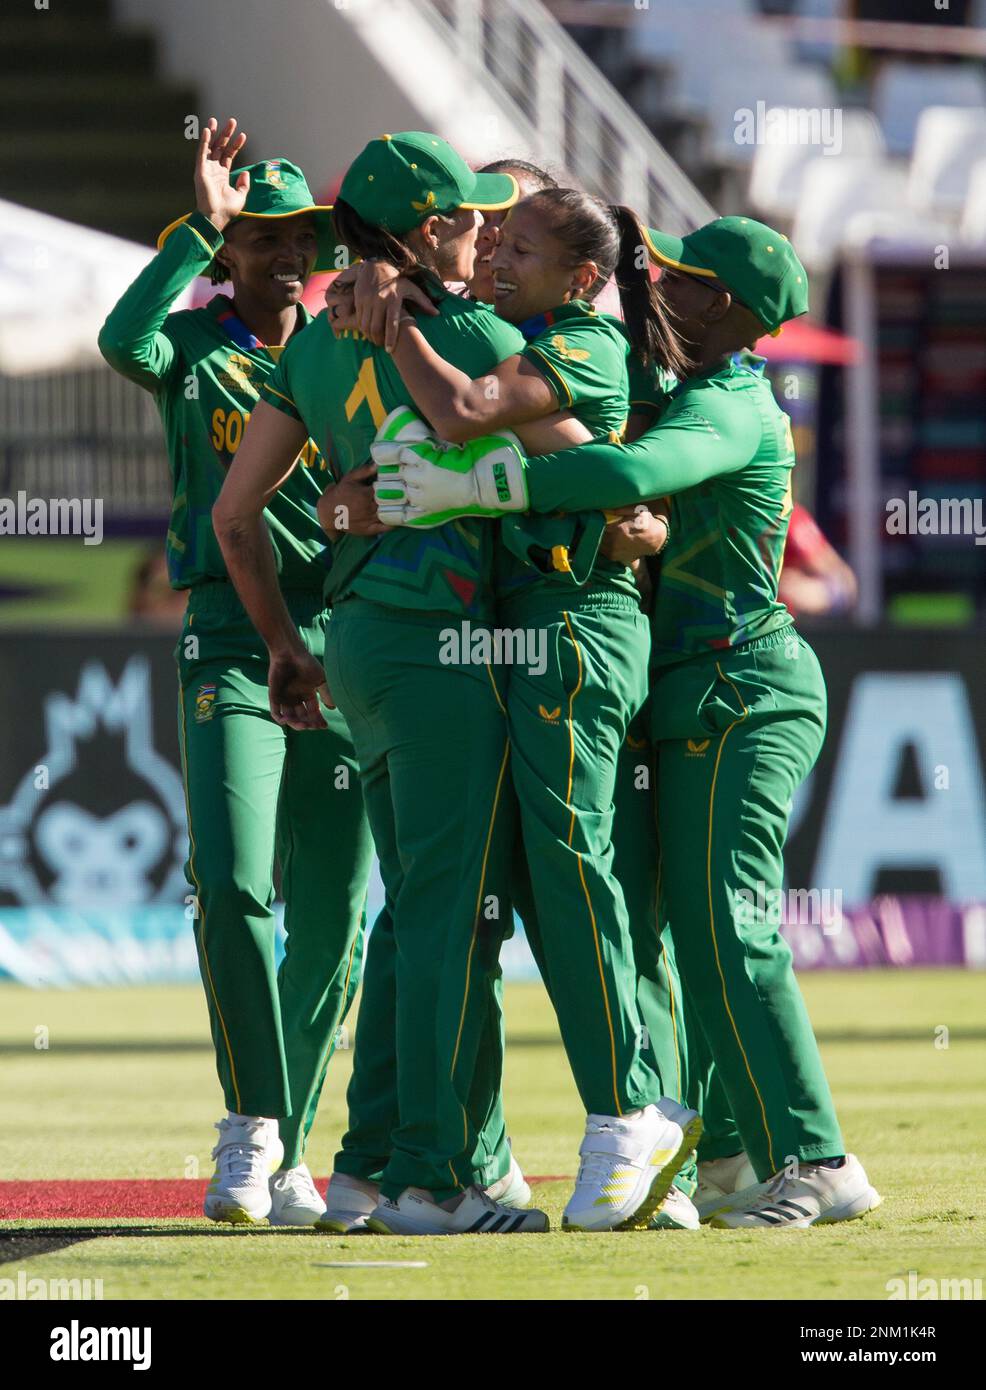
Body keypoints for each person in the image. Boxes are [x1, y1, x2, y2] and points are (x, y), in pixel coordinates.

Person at [372, 214, 882, 1229]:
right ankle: (729, 1148)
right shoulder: (666, 385)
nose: (657, 290)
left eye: (685, 284)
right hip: (682, 694)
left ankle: (819, 1159)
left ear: (732, 314)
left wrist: (470, 485)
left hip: (746, 686)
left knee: (728, 925)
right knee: (676, 932)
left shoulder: (735, 403)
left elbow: (621, 479)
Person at [213, 131, 571, 1236]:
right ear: (425, 232)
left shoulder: (317, 349)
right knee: (446, 914)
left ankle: (366, 1164)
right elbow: (576, 442)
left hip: (356, 643)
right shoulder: (472, 334)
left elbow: (235, 518)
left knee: (412, 905)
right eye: (468, 220)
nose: (486, 235)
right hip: (440, 649)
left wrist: (283, 643)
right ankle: (431, 1178)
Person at [356, 185, 702, 1232]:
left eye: (518, 245)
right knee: (511, 887)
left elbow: (468, 419)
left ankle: (633, 1117)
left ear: (584, 276)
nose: (495, 257)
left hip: (569, 623)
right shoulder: (526, 335)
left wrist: (394, 319)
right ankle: (447, 1159)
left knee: (571, 858)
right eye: (489, 239)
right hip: (515, 628)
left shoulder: (581, 346)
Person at [99, 118, 375, 1227]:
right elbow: (125, 339)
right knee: (232, 884)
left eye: (298, 236)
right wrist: (192, 229)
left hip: (351, 638)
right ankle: (250, 1126)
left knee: (335, 913)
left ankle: (288, 1149)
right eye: (261, 239)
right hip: (232, 640)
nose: (284, 256)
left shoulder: (348, 350)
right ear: (231, 250)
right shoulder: (195, 348)